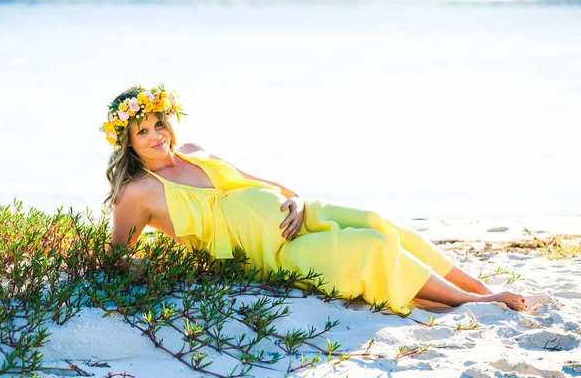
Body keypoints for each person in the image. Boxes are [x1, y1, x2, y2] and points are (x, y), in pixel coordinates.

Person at [103, 85, 527, 315]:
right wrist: (154, 270)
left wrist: (299, 201)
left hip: (298, 216)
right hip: (275, 252)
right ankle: (474, 302)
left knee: (377, 221)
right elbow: (117, 255)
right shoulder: (135, 193)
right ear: (127, 141)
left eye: (160, 123)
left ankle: (481, 287)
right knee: (371, 247)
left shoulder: (194, 149)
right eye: (143, 131)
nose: (157, 134)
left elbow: (260, 181)